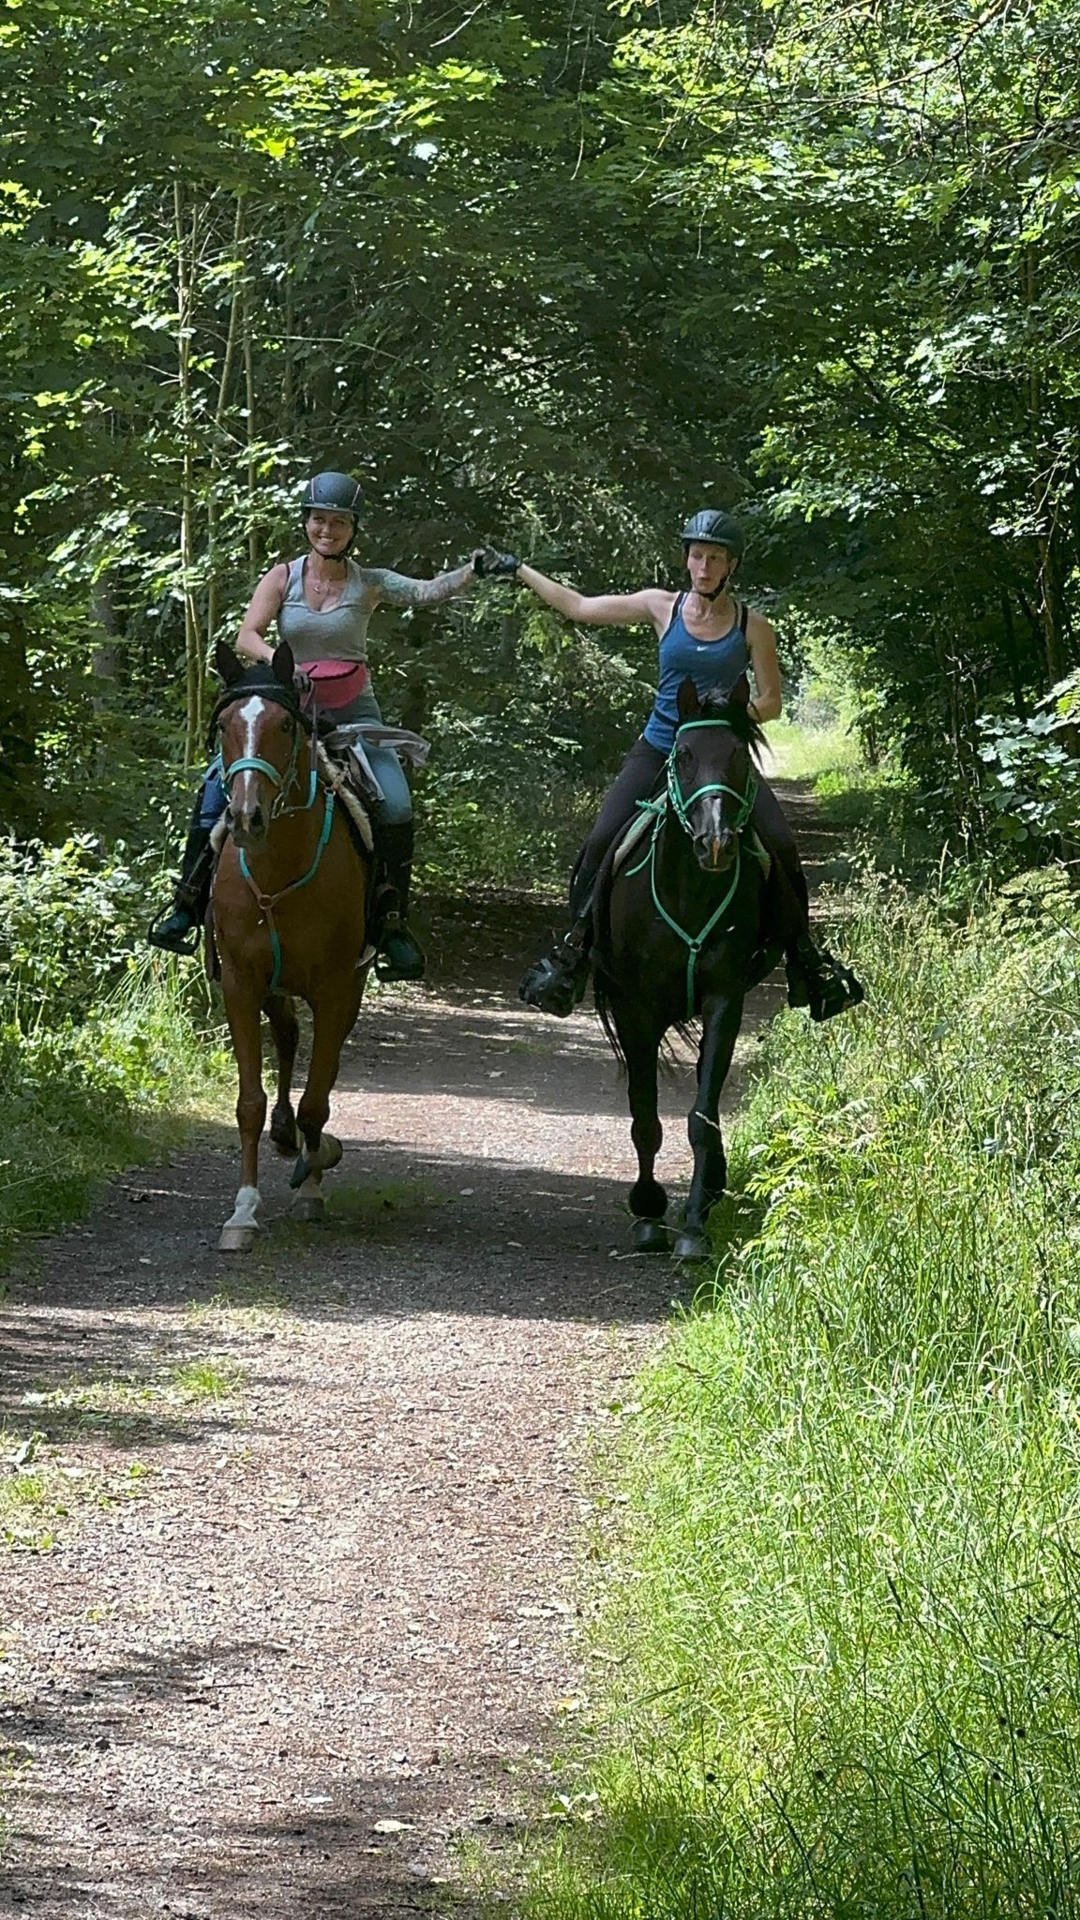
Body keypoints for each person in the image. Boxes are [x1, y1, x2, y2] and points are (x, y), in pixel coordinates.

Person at [503, 508, 865, 1020]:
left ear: (730, 566)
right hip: (659, 747)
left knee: (780, 845)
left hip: (720, 755)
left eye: (715, 558)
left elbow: (772, 701)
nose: (704, 566)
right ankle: (573, 955)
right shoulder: (661, 607)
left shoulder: (753, 626)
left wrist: (727, 719)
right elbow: (580, 607)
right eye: (697, 555)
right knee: (602, 842)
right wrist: (520, 569)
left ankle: (807, 963)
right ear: (687, 560)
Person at [149, 471, 486, 980]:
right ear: (306, 523)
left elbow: (425, 592)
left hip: (354, 715)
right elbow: (247, 636)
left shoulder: (369, 582)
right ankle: (186, 906)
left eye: (338, 522)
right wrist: (285, 666)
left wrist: (473, 570)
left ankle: (392, 927)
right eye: (318, 520)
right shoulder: (282, 576)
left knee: (394, 802)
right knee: (215, 791)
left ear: (353, 529)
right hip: (287, 712)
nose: (327, 530)